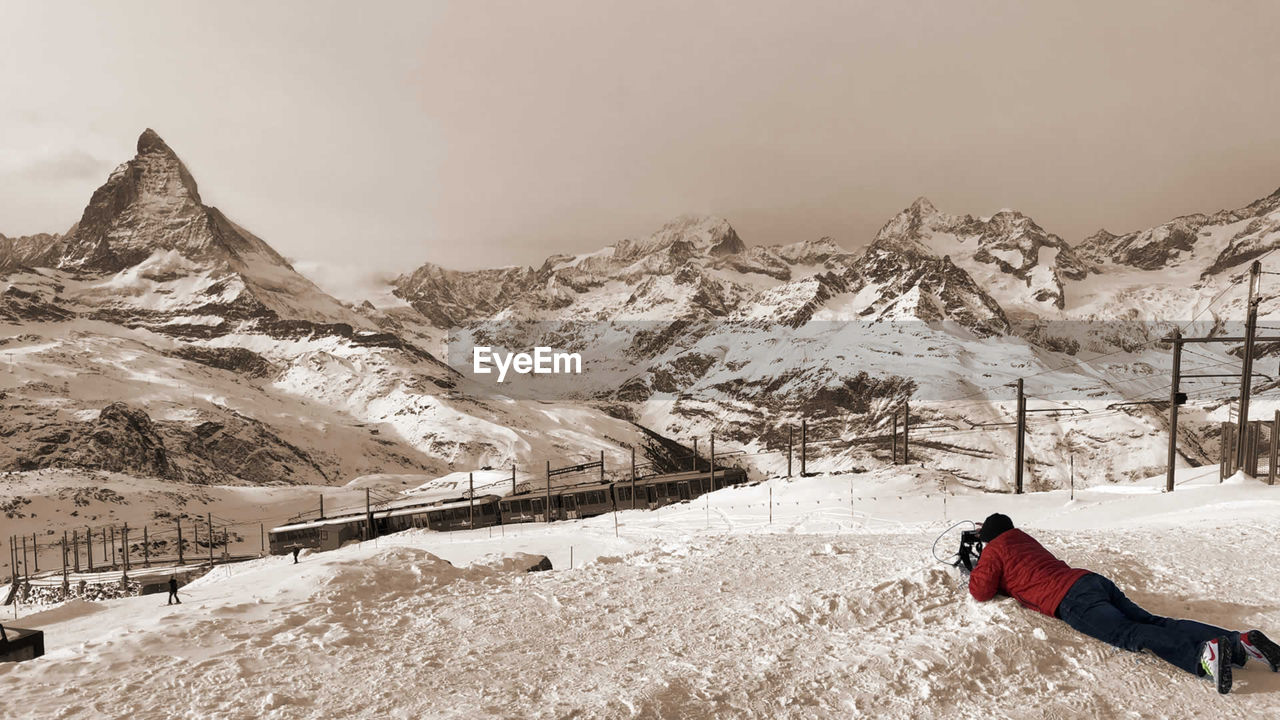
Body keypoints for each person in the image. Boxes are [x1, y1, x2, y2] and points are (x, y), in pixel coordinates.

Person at [965, 513, 1280, 694]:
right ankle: (1238, 643)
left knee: (1130, 634)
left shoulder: (994, 550)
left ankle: (1203, 654)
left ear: (989, 537)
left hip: (1069, 599)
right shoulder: (1023, 538)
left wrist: (978, 562)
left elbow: (980, 591)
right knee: (1156, 622)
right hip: (1090, 581)